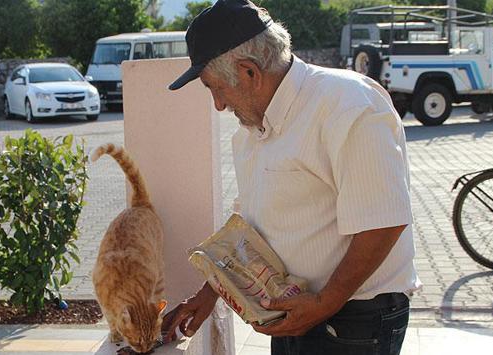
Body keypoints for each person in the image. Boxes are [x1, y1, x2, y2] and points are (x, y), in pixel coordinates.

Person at [163, 0, 422, 354]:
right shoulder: (255, 129)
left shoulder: (349, 104)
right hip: (296, 309)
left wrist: (325, 302)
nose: (219, 105)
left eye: (215, 88)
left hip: (352, 319)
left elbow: (384, 223)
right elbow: (256, 226)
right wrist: (210, 294)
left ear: (249, 72)